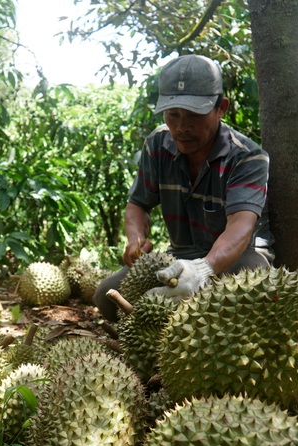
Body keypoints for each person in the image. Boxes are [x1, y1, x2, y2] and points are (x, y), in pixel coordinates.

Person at [94, 54, 273, 322]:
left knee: (228, 307)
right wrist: (135, 239)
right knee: (105, 297)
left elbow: (240, 226)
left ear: (221, 107)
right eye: (173, 115)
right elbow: (138, 204)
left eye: (193, 115)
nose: (181, 127)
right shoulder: (157, 144)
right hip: (179, 257)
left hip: (240, 257)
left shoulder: (247, 157)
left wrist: (203, 269)